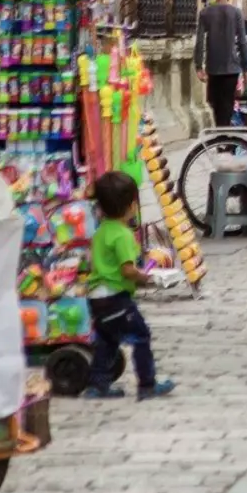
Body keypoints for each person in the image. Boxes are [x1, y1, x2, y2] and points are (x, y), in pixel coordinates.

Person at [84, 170, 176, 400]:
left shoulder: (101, 231)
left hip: (96, 297)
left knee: (107, 339)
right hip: (116, 298)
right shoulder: (123, 235)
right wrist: (145, 277)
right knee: (140, 335)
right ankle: (147, 384)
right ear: (130, 205)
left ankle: (97, 385)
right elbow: (126, 269)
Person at [194, 0, 247, 128]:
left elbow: (199, 41)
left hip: (213, 67)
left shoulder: (205, 13)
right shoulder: (236, 13)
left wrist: (198, 66)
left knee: (215, 106)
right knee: (228, 106)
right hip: (232, 67)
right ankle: (224, 139)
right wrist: (246, 68)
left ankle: (220, 136)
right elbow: (242, 42)